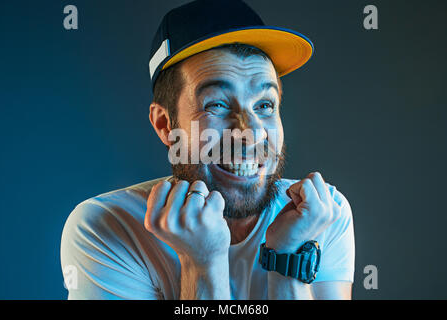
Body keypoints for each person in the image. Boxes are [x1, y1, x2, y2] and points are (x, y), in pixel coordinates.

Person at [61, 0, 355, 300]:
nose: (250, 134)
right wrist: (202, 264)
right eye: (216, 105)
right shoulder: (107, 228)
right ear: (165, 125)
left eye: (265, 105)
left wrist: (289, 258)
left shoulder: (320, 215)